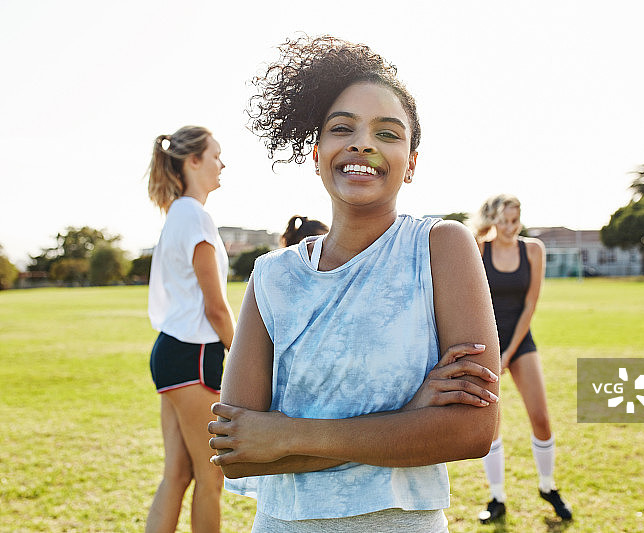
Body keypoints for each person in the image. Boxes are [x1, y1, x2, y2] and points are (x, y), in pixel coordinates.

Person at [207, 35, 500, 532]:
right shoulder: (272, 275)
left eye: (388, 133)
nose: (362, 143)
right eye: (344, 128)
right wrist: (407, 420)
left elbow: (471, 431)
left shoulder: (441, 247)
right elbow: (238, 453)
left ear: (410, 163)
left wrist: (286, 435)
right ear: (317, 152)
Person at [145, 125, 235, 533]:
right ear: (193, 161)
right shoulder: (196, 217)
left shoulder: (177, 214)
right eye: (216, 155)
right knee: (209, 476)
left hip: (172, 353)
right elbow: (216, 308)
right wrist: (247, 355)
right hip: (195, 356)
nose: (222, 163)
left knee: (177, 475)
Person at [472, 194, 573, 523]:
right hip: (486, 343)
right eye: (503, 221)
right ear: (493, 220)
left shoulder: (533, 250)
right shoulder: (479, 247)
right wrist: (492, 353)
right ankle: (497, 497)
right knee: (492, 425)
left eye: (515, 221)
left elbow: (530, 305)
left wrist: (509, 354)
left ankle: (547, 486)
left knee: (541, 418)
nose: (509, 228)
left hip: (520, 341)